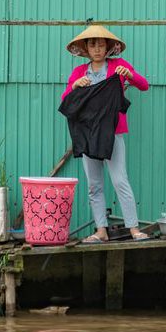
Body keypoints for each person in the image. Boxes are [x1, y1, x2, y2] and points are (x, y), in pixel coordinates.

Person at [61, 25, 150, 243]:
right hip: (88, 134)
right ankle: (101, 230)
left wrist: (129, 74)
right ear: (86, 48)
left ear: (108, 47)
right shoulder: (79, 73)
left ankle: (134, 229)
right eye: (93, 44)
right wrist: (75, 86)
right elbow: (65, 100)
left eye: (101, 44)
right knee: (94, 184)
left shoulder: (119, 66)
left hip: (113, 133)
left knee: (120, 180)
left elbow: (144, 85)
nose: (97, 49)